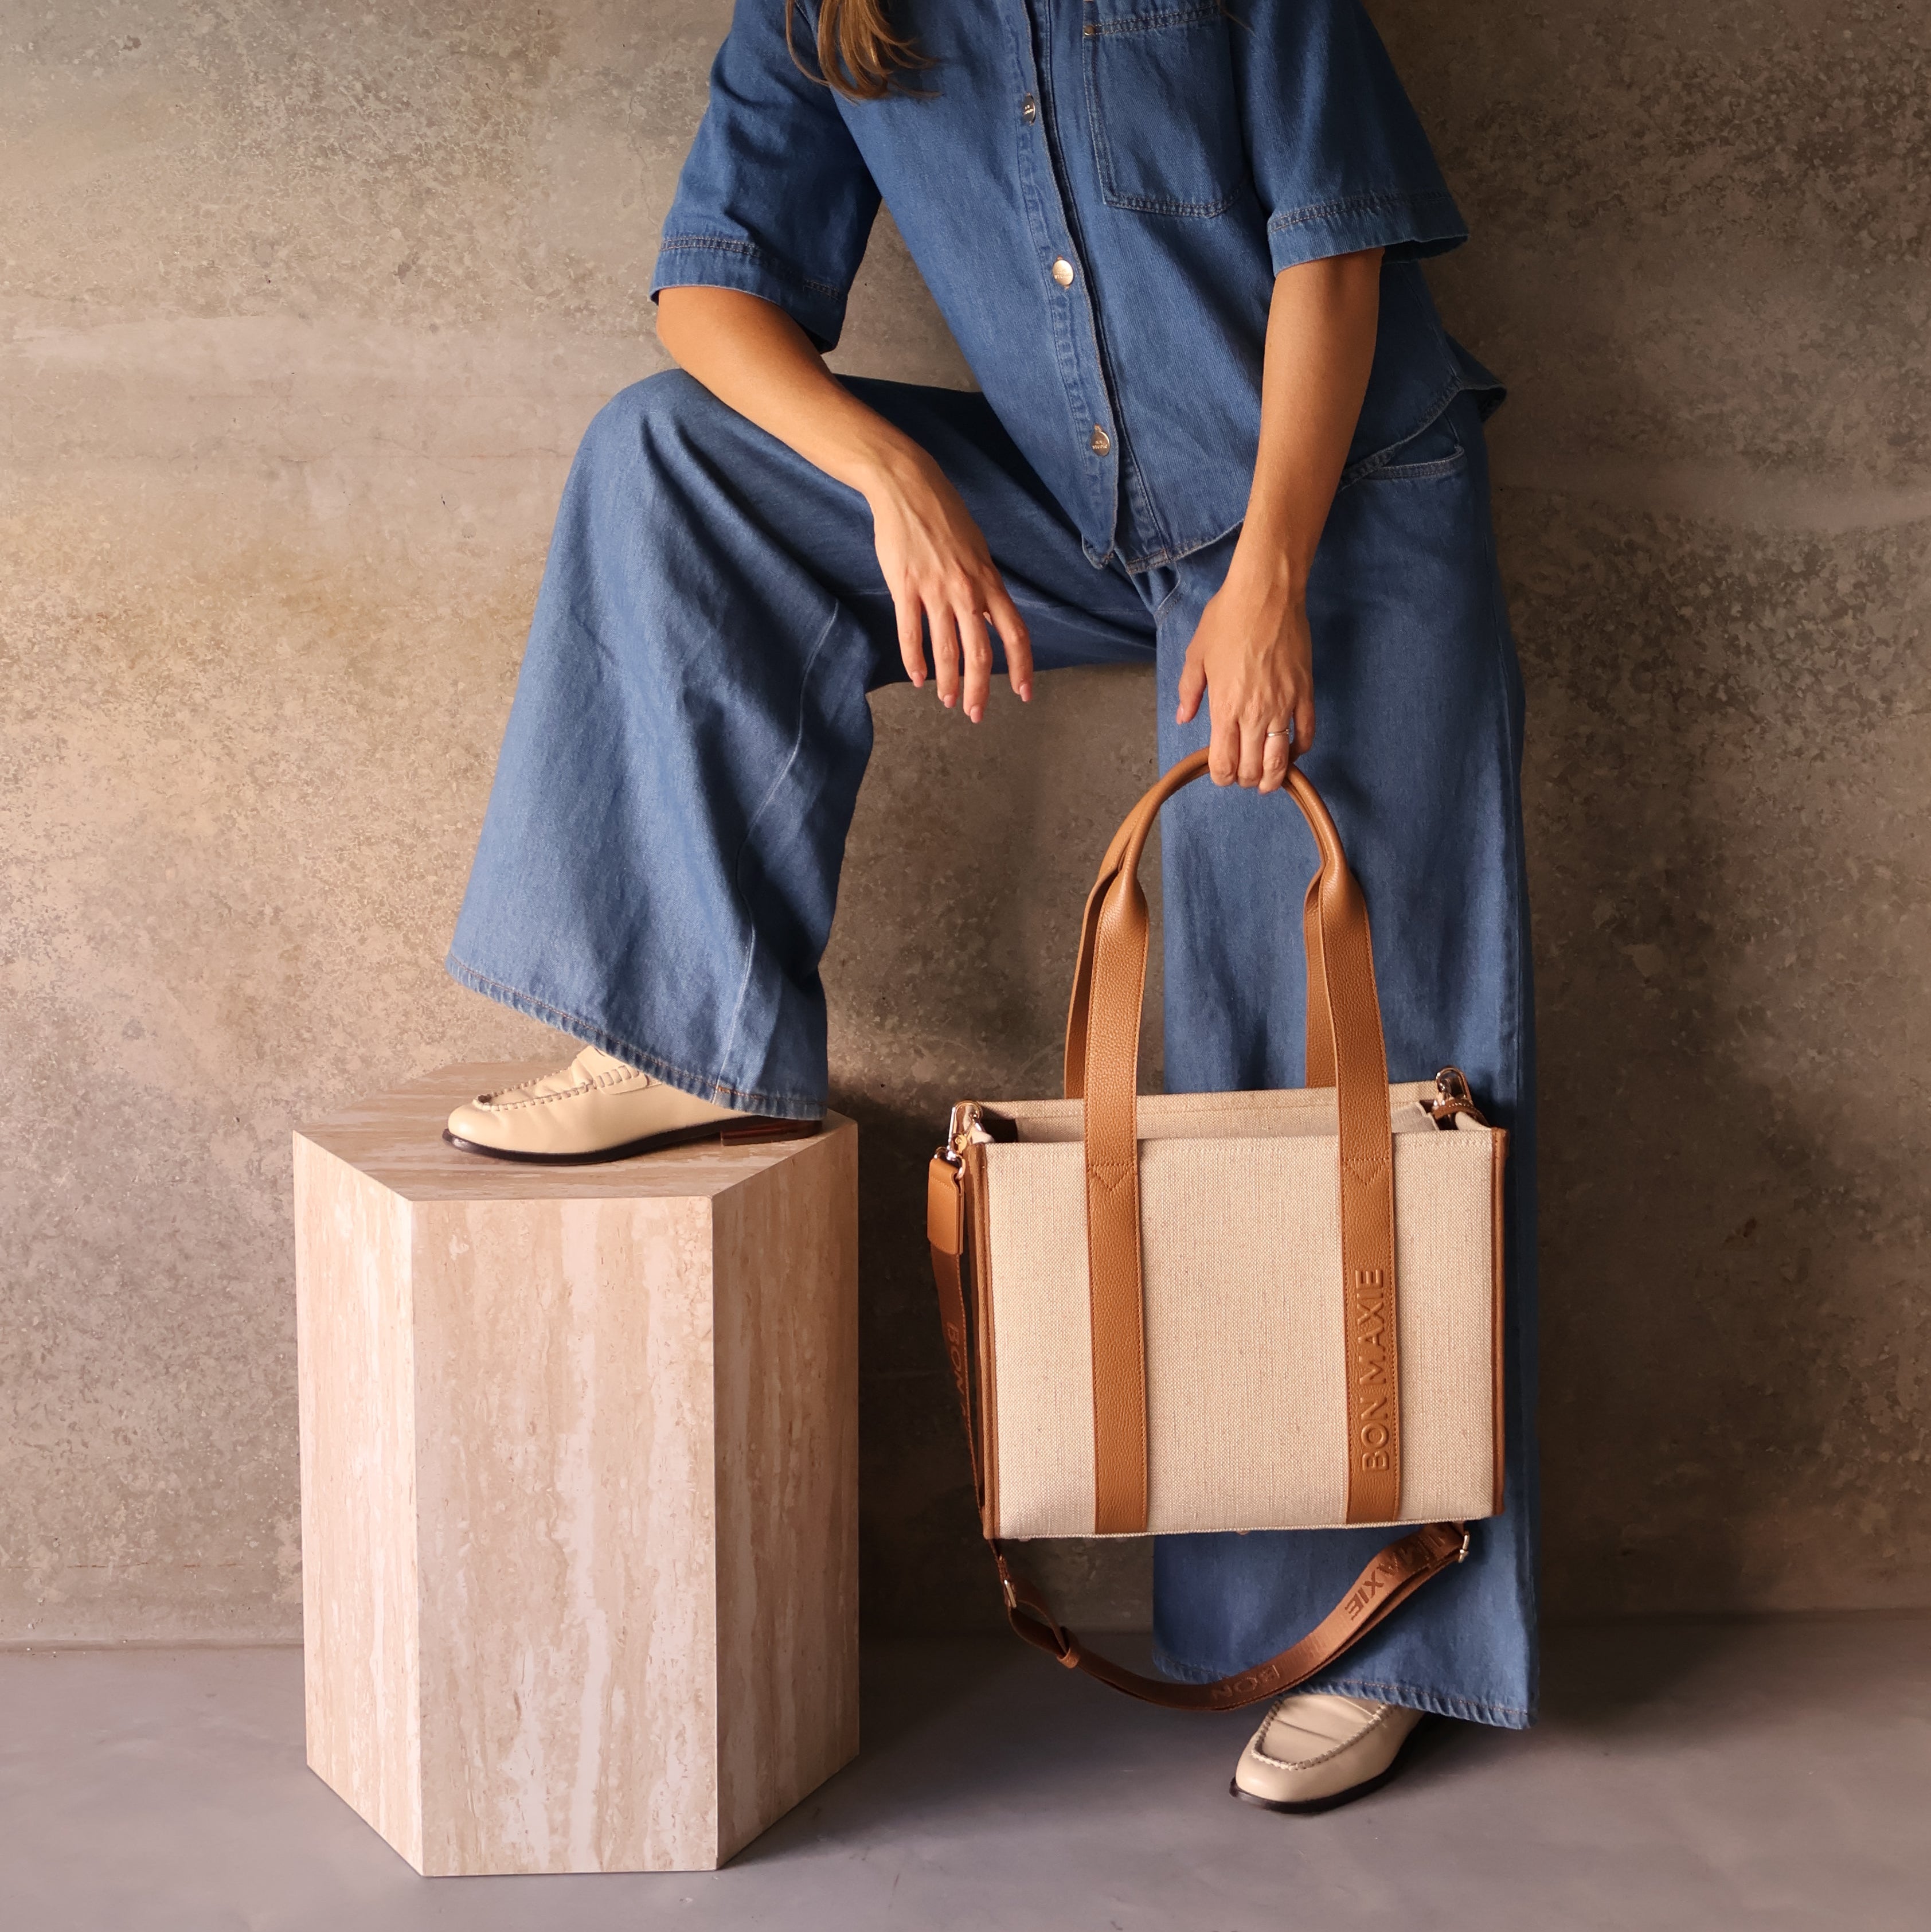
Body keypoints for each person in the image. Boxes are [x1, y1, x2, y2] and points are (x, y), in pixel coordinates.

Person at [441, 0, 1537, 1810]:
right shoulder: (830, 6)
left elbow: (1338, 254)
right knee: (672, 458)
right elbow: (709, 293)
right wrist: (891, 479)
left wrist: (1269, 580)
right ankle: (687, 1021)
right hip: (1072, 498)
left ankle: (1368, 1619)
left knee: (1327, 1054)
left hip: (1332, 498)